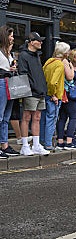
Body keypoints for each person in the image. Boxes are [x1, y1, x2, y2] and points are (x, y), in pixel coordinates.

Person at [18, 32, 50, 156]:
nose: (41, 42)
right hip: (31, 92)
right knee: (26, 118)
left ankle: (36, 145)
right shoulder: (23, 55)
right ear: (31, 42)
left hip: (40, 91)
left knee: (37, 118)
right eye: (39, 40)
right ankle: (25, 146)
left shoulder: (36, 55)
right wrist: (31, 88)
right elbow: (23, 74)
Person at [40, 41, 75, 151]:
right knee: (52, 119)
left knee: (43, 119)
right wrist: (54, 95)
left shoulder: (49, 61)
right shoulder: (60, 64)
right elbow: (52, 82)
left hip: (45, 95)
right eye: (68, 51)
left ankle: (42, 142)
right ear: (64, 53)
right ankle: (48, 143)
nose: (69, 53)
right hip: (53, 96)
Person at [0, 25, 20, 158]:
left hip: (9, 83)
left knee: (6, 117)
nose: (12, 38)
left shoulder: (8, 52)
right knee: (0, 116)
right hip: (1, 83)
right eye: (11, 35)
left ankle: (4, 145)